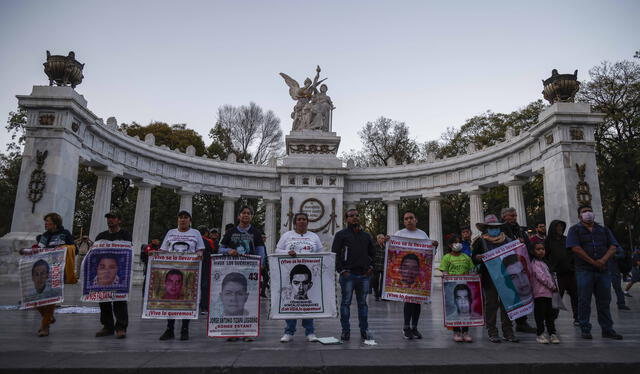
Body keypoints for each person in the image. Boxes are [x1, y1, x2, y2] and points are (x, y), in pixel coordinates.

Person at [566, 205, 623, 340]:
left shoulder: (603, 230)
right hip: (584, 270)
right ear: (579, 216)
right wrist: (593, 261)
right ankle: (585, 328)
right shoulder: (574, 230)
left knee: (604, 301)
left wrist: (602, 260)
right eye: (584, 212)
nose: (588, 214)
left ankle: (607, 329)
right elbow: (575, 248)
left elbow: (613, 246)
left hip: (603, 270)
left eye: (589, 211)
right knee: (584, 300)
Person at [219, 205, 265, 342]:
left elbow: (261, 250)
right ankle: (232, 331)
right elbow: (220, 248)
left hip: (250, 271)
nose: (246, 215)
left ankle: (247, 331)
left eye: (249, 213)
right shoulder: (230, 232)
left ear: (251, 217)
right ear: (239, 216)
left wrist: (261, 265)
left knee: (249, 301)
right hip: (232, 271)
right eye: (243, 213)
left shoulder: (256, 232)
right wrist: (228, 251)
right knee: (233, 303)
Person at [276, 212, 323, 343]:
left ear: (307, 222)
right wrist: (287, 252)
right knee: (291, 302)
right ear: (295, 222)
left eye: (304, 219)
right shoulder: (287, 236)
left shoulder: (314, 236)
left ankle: (310, 331)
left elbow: (320, 254)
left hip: (309, 276)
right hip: (291, 275)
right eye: (299, 219)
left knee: (309, 302)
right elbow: (277, 250)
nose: (301, 221)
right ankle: (289, 332)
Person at [471, 214, 519, 343]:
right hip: (489, 278)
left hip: (507, 277)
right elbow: (473, 257)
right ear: (486, 228)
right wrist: (478, 258)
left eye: (496, 227)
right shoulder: (480, 241)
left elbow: (516, 256)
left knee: (507, 304)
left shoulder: (508, 240)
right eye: (491, 227)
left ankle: (508, 331)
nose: (494, 229)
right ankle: (492, 331)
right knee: (491, 304)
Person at [158, 210, 205, 341]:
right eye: (180, 217)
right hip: (172, 272)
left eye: (185, 218)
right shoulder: (171, 233)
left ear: (190, 220)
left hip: (189, 272)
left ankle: (185, 329)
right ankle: (170, 329)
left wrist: (199, 255)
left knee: (187, 299)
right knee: (171, 300)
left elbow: (200, 249)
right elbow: (163, 250)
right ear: (177, 220)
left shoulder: (195, 233)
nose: (183, 220)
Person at [332, 208, 376, 341]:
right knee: (345, 303)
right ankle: (345, 331)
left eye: (357, 215)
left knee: (363, 304)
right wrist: (341, 270)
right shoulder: (341, 235)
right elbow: (335, 254)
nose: (355, 218)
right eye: (351, 216)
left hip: (363, 275)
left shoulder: (366, 235)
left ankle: (364, 330)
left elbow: (372, 253)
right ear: (346, 219)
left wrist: (371, 267)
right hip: (348, 275)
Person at [394, 211, 438, 340]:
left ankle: (415, 327)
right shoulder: (399, 234)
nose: (408, 220)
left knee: (417, 302)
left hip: (418, 274)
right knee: (408, 301)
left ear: (416, 220)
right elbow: (392, 254)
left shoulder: (422, 234)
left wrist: (436, 246)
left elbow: (429, 254)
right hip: (405, 275)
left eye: (411, 218)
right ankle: (406, 328)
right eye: (406, 219)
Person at [93, 212, 132, 339]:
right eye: (108, 218)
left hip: (118, 272)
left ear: (119, 220)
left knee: (119, 300)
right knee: (104, 300)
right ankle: (107, 326)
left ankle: (121, 327)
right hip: (104, 272)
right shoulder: (101, 236)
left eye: (113, 218)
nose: (110, 220)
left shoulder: (125, 234)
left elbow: (128, 250)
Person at [501, 207, 536, 334]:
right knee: (510, 296)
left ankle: (522, 322)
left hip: (521, 267)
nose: (514, 217)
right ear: (504, 217)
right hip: (508, 268)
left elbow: (529, 246)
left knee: (522, 295)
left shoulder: (520, 230)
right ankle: (508, 325)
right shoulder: (501, 229)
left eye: (515, 215)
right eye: (511, 215)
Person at [439, 235, 475, 342]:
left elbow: (472, 270)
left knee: (466, 309)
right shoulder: (447, 257)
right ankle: (456, 332)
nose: (458, 244)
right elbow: (444, 271)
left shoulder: (466, 257)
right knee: (455, 309)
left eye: (459, 242)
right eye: (455, 242)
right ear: (450, 245)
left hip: (465, 287)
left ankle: (465, 332)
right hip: (452, 288)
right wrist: (446, 276)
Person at [544, 220, 579, 325]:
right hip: (557, 274)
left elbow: (573, 253)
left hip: (570, 272)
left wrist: (572, 265)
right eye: (557, 227)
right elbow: (545, 256)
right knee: (556, 297)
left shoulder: (566, 239)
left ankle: (577, 317)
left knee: (575, 295)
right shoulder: (548, 241)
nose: (559, 228)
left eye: (561, 226)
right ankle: (551, 318)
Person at [530, 243, 560, 344]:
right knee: (540, 315)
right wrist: (552, 286)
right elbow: (541, 277)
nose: (541, 251)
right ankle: (540, 334)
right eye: (538, 249)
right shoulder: (534, 263)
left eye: (543, 249)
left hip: (548, 294)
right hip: (539, 294)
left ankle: (552, 333)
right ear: (533, 251)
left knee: (550, 315)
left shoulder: (544, 263)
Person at [36, 212, 77, 284]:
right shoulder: (44, 235)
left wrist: (62, 248)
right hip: (47, 272)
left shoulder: (65, 233)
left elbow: (75, 250)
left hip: (63, 272)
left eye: (48, 221)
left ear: (55, 223)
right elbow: (40, 250)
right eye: (45, 221)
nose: (45, 223)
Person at [197, 226, 214, 314]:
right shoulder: (209, 241)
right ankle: (204, 307)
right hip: (205, 265)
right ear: (206, 233)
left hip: (194, 265)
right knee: (205, 286)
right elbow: (212, 252)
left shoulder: (195, 240)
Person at [609, 246, 630, 310]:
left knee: (618, 288)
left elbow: (622, 255)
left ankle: (621, 304)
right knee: (603, 289)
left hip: (614, 271)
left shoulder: (614, 245)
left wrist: (614, 256)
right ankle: (603, 305)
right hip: (603, 270)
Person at [372, 234, 386, 301]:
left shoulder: (385, 247)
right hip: (376, 265)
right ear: (378, 239)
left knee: (383, 281)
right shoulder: (374, 246)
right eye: (381, 238)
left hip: (383, 266)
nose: (383, 240)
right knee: (376, 280)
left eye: (383, 238)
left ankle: (382, 295)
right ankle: (376, 294)